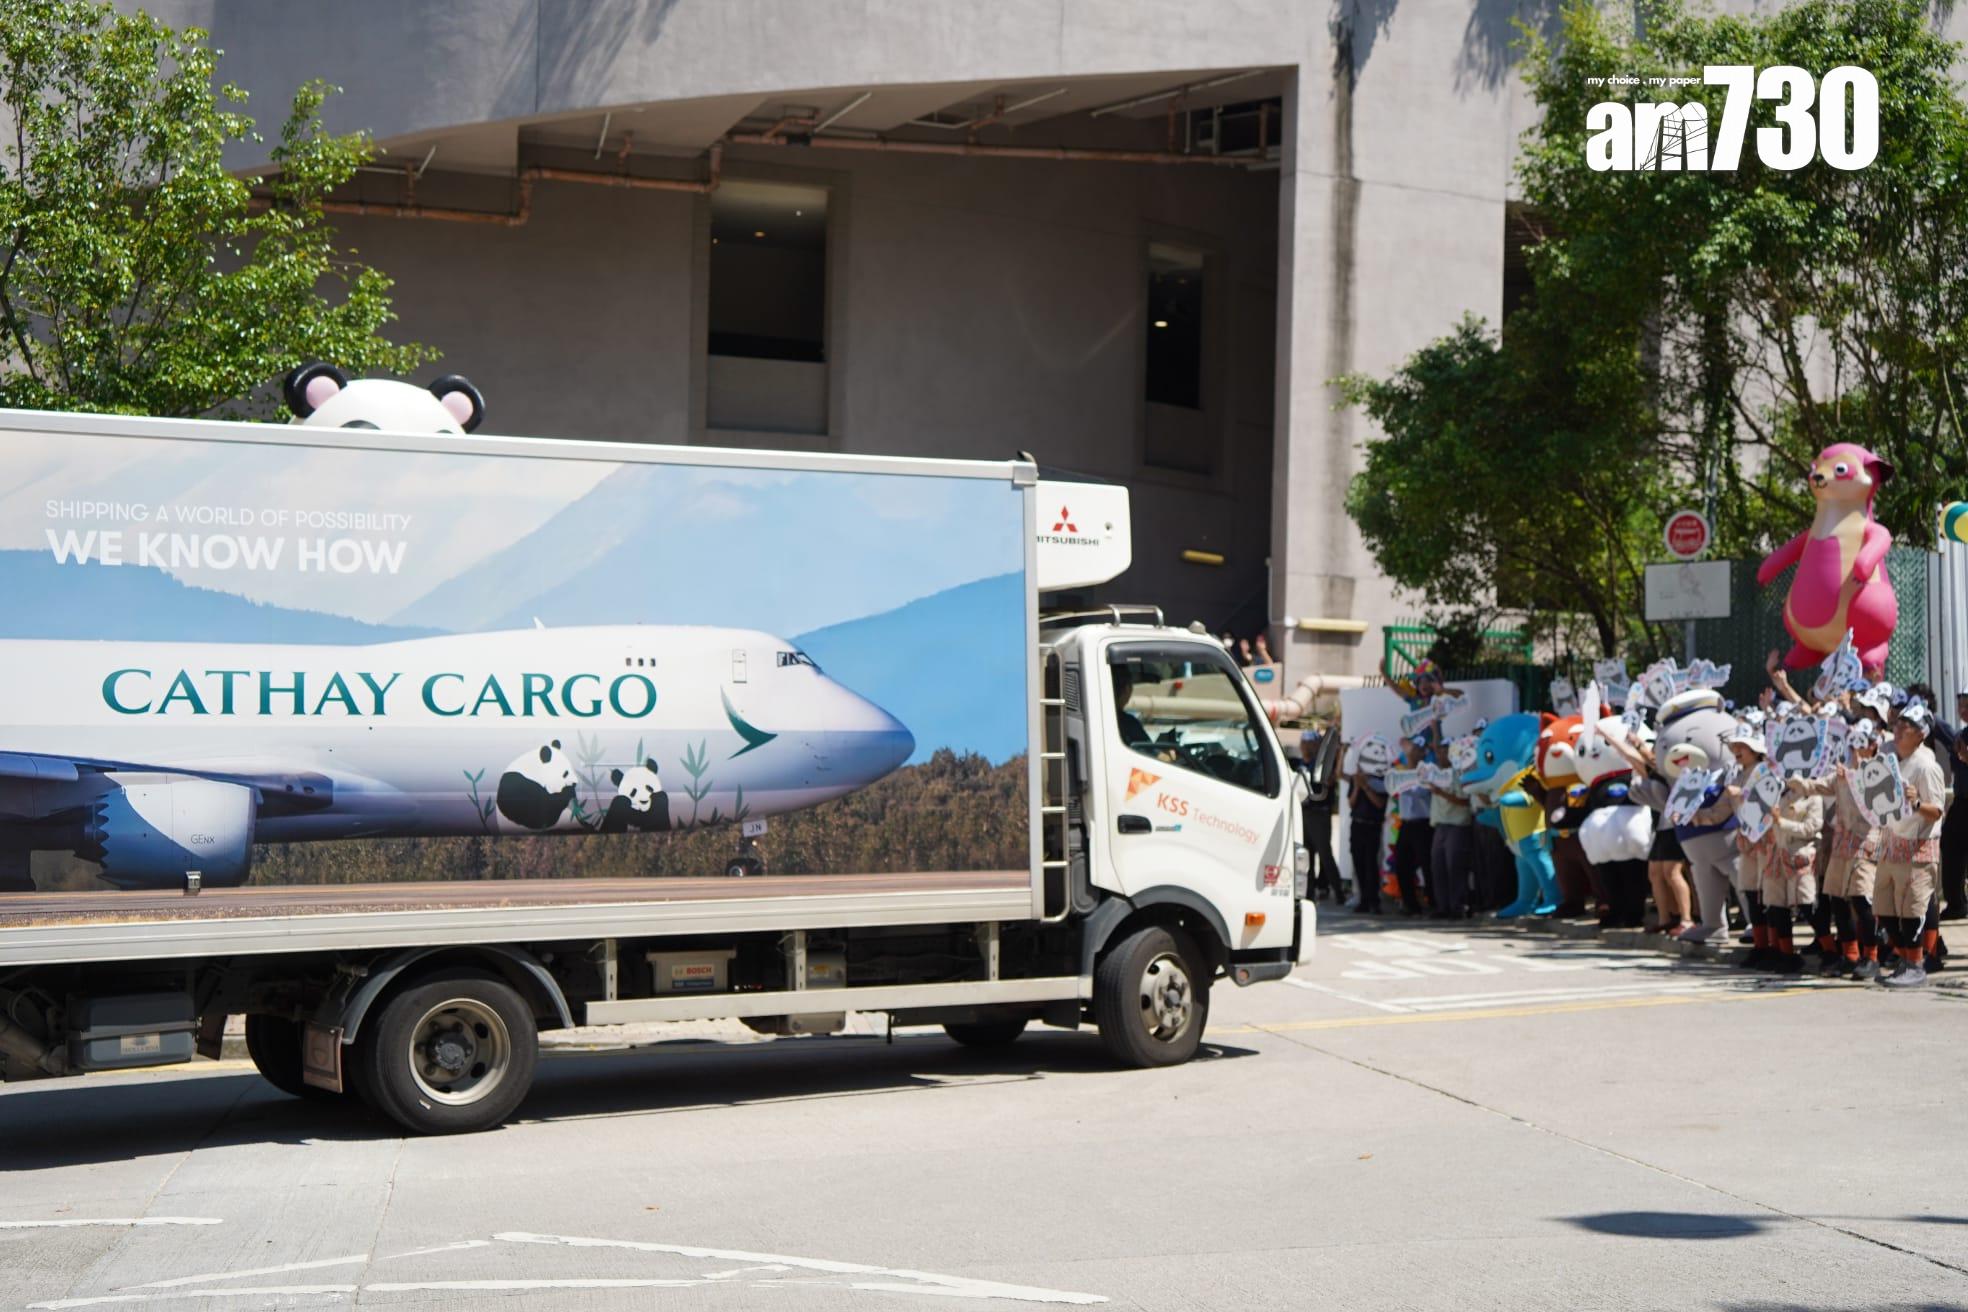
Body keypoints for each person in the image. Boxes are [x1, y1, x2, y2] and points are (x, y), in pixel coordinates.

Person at [1790, 718, 1884, 979]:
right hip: (1841, 845)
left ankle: (1871, 956)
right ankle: (1850, 954)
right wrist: (1794, 778)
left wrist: (1853, 776)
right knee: (1837, 900)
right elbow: (1817, 785)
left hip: (1865, 842)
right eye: (1852, 743)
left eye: (1861, 743)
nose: (1855, 749)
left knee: (1862, 900)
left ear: (1872, 745)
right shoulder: (1842, 774)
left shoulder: (1878, 770)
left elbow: (1879, 804)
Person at [1877, 702, 1949, 987]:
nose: (1898, 729)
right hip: (1891, 841)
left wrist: (1917, 802)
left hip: (1917, 845)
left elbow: (1937, 810)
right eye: (1898, 723)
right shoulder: (1889, 758)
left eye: (1906, 726)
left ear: (1921, 734)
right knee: (1884, 908)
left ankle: (1916, 965)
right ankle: (1904, 959)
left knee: (1912, 909)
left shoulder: (1926, 766)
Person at [1427, 754, 1475, 919]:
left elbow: (1465, 801)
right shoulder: (1433, 774)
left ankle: (1458, 907)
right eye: (1437, 749)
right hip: (1439, 826)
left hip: (1457, 825)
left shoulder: (1459, 775)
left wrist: (1441, 793)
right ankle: (1442, 907)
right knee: (1438, 867)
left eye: (1443, 749)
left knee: (1455, 867)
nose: (1439, 754)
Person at [1390, 736, 1434, 916]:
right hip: (1406, 824)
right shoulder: (1400, 771)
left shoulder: (1428, 772)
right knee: (1402, 864)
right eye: (1411, 749)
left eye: (1417, 750)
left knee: (1427, 865)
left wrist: (1406, 781)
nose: (1413, 752)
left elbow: (1419, 792)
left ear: (1423, 753)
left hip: (1423, 824)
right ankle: (1410, 904)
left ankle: (1434, 902)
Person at [1298, 727, 1342, 902]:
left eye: (1309, 742)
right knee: (1306, 855)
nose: (1305, 746)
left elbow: (1330, 781)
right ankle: (1308, 893)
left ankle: (1338, 893)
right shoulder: (1299, 763)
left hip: (1320, 814)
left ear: (1316, 744)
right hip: (1304, 813)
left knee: (1325, 854)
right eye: (1303, 742)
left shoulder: (1322, 764)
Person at [1348, 744, 1390, 914]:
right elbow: (1351, 803)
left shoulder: (1381, 781)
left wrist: (1366, 787)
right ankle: (1363, 900)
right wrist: (1358, 786)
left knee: (1372, 864)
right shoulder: (1355, 780)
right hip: (1357, 824)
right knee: (1359, 863)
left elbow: (1380, 804)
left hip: (1373, 826)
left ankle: (1374, 900)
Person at [1943, 690, 1968, 920]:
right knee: (1950, 847)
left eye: (1967, 705)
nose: (1963, 710)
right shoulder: (1961, 735)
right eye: (1960, 705)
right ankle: (1956, 903)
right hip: (1961, 801)